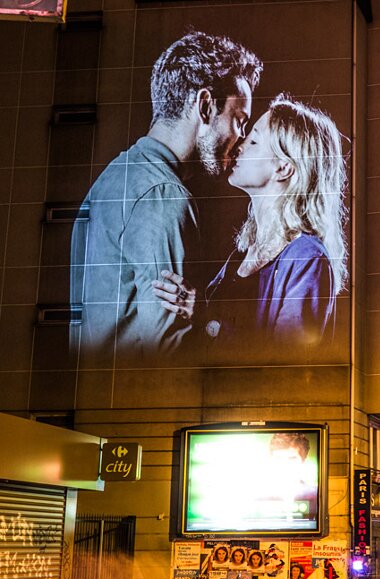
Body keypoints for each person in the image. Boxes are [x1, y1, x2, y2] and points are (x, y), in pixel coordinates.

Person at [74, 31, 262, 359]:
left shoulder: (111, 180)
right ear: (204, 106)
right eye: (240, 121)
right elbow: (171, 353)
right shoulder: (165, 196)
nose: (241, 139)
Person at [153, 94, 347, 347]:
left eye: (254, 141)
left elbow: (284, 368)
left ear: (284, 168)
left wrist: (204, 317)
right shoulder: (243, 254)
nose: (239, 146)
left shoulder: (306, 258)